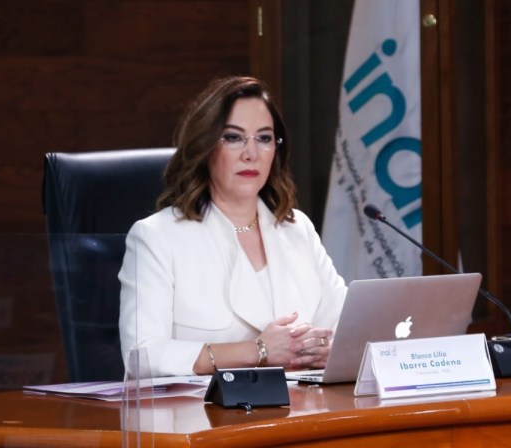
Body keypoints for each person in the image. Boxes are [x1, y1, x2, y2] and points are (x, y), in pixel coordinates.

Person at [118, 76, 347, 378]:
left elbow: (346, 328)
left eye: (264, 138)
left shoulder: (297, 229)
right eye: (234, 137)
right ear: (205, 146)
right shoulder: (157, 237)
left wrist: (330, 349)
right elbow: (141, 356)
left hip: (302, 404)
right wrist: (258, 351)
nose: (251, 153)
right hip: (204, 406)